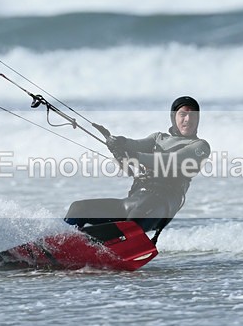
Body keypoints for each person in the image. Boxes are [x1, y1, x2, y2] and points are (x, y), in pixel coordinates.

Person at [64, 96, 211, 236]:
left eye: (193, 115)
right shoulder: (158, 138)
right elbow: (134, 145)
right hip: (135, 198)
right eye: (183, 114)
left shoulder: (200, 146)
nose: (188, 119)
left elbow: (171, 160)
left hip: (161, 204)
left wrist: (136, 157)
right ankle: (56, 241)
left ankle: (85, 245)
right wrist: (117, 142)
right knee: (79, 208)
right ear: (173, 117)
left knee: (133, 221)